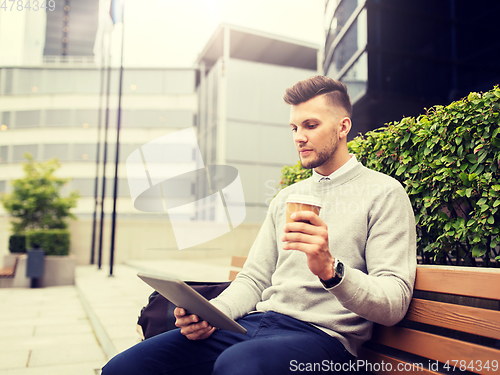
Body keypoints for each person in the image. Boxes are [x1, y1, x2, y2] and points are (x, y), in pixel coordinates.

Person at [101, 75, 416, 375]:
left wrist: (331, 270)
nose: (299, 137)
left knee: (239, 365)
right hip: (259, 323)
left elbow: (394, 303)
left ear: (343, 126)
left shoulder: (384, 193)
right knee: (125, 367)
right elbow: (253, 278)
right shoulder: (287, 197)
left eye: (310, 125)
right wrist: (213, 314)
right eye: (294, 127)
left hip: (326, 341)